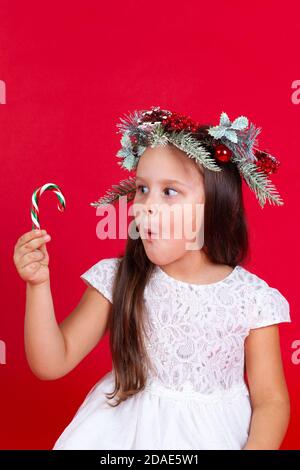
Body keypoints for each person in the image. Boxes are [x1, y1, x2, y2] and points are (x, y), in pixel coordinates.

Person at [13, 107, 291, 450]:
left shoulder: (251, 299)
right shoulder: (119, 279)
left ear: (215, 207)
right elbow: (51, 362)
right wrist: (38, 286)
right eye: (142, 189)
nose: (145, 206)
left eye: (169, 192)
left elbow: (271, 401)